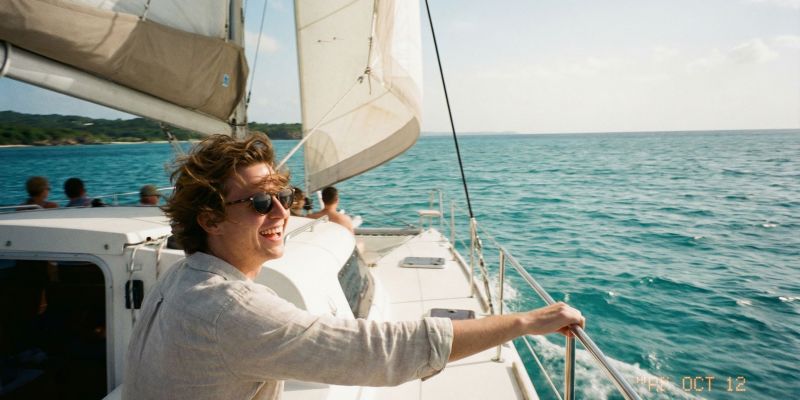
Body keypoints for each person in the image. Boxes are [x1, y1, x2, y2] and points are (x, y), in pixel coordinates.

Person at [122, 133, 584, 400]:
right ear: (210, 220)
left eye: (283, 197)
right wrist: (525, 321)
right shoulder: (228, 310)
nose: (282, 213)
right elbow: (377, 351)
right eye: (261, 201)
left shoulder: (180, 278)